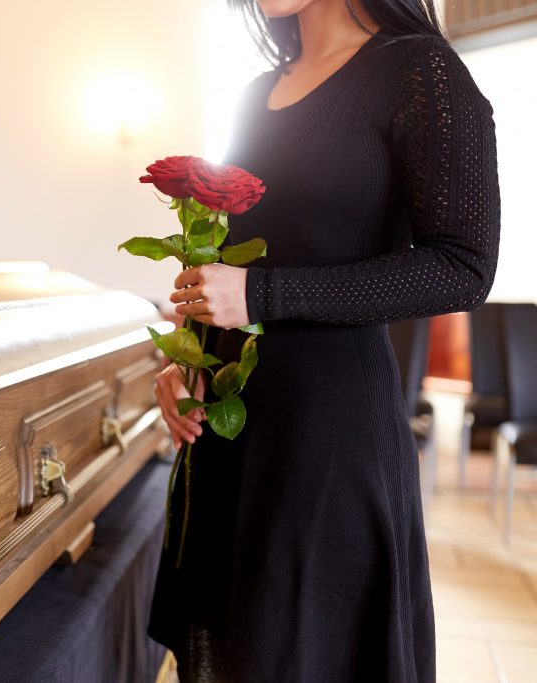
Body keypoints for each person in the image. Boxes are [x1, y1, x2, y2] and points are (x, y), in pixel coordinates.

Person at [145, 0, 500, 680]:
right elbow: (229, 250)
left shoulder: (421, 71)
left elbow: (464, 266)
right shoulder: (257, 94)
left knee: (304, 652)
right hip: (232, 432)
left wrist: (264, 295)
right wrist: (188, 356)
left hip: (328, 441)